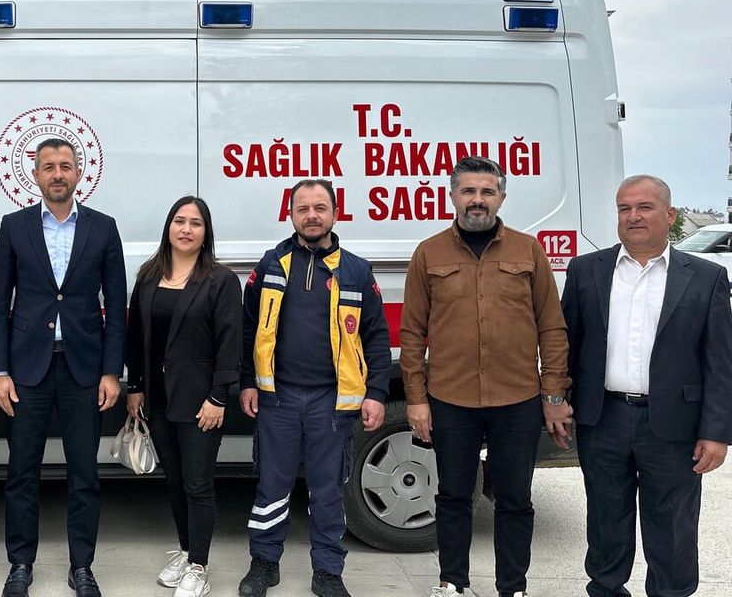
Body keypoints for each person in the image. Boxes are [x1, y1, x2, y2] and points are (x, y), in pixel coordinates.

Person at [400, 156, 573, 597]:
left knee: (514, 500)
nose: (477, 200)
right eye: (468, 191)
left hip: (517, 399)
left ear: (501, 197)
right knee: (453, 497)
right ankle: (452, 583)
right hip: (450, 398)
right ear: (452, 196)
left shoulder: (529, 251)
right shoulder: (428, 253)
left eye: (487, 192)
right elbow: (413, 332)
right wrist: (416, 399)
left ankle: (512, 587)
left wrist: (554, 395)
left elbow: (552, 327)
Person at [561, 175, 732, 597]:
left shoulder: (706, 277)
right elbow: (566, 346)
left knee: (672, 530)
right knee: (605, 524)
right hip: (603, 420)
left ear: (670, 215)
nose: (633, 216)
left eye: (644, 207)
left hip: (675, 426)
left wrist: (716, 432)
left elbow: (720, 362)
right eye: (624, 208)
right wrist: (556, 401)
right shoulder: (586, 270)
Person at [237, 179, 392, 597]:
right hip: (278, 398)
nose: (311, 216)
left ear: (335, 214)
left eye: (319, 208)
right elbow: (248, 327)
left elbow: (376, 336)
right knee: (272, 485)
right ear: (290, 215)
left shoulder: (356, 271)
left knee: (327, 489)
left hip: (332, 401)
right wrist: (248, 382)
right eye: (302, 208)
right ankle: (264, 563)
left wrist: (376, 393)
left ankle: (327, 571)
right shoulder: (272, 264)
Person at [0, 137, 127, 597]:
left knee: (84, 474)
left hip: (84, 370)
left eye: (65, 165)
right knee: (21, 473)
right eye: (49, 166)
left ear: (79, 173)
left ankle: (82, 566)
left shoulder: (103, 227)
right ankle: (20, 564)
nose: (58, 174)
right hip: (27, 371)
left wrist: (111, 371)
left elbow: (117, 306)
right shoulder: (14, 226)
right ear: (36, 174)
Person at [125, 196, 243, 597]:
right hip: (158, 399)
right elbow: (136, 337)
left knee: (197, 484)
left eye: (196, 223)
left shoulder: (220, 281)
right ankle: (186, 550)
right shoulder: (148, 275)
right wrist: (136, 386)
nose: (186, 229)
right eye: (180, 221)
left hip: (201, 402)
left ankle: (199, 566)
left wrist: (219, 398)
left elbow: (230, 343)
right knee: (174, 481)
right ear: (169, 227)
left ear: (206, 233)